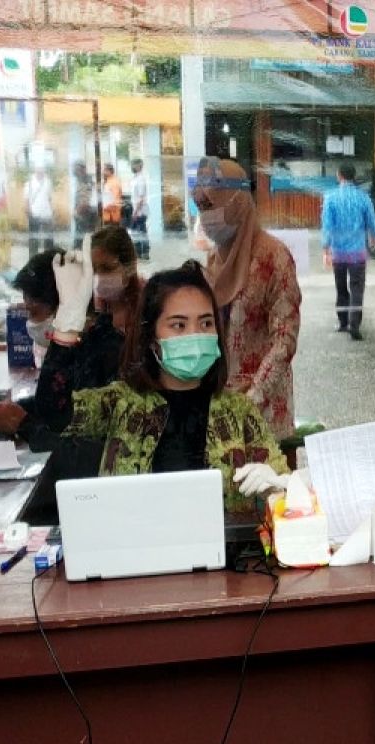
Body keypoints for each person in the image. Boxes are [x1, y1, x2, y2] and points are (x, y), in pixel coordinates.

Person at [61, 261, 289, 513]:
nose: (195, 335)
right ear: (151, 339)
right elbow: (55, 415)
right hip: (133, 548)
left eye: (205, 324)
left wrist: (280, 487)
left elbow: (289, 494)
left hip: (222, 552)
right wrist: (65, 330)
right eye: (179, 325)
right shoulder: (120, 404)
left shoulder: (239, 410)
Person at [0, 243, 125, 451]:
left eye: (34, 312)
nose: (31, 322)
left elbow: (80, 445)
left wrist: (23, 423)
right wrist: (5, 412)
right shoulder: (70, 348)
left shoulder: (103, 353)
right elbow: (54, 404)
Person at [195, 157, 301, 442]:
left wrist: (253, 395)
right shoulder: (215, 259)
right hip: (218, 410)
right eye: (202, 208)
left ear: (236, 201)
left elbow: (285, 340)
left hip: (264, 413)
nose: (206, 217)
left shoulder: (274, 257)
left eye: (211, 205)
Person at [321, 163, 375, 341]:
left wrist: (326, 248)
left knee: (341, 289)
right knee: (357, 289)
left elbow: (327, 226)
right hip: (357, 253)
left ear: (339, 176)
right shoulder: (363, 197)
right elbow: (372, 220)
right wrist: (374, 236)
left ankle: (343, 322)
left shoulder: (330, 198)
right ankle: (355, 325)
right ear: (353, 177)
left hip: (338, 252)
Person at [88, 224, 143, 335]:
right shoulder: (89, 309)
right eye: (92, 269)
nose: (98, 276)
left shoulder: (149, 305)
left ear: (129, 267)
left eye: (107, 269)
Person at [24, 166, 54, 256]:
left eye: (42, 169)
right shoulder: (29, 183)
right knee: (34, 238)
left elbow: (50, 198)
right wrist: (28, 211)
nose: (40, 171)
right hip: (34, 213)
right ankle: (33, 257)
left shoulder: (48, 182)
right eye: (38, 169)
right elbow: (26, 199)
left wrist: (52, 211)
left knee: (49, 238)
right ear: (35, 170)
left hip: (47, 214)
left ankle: (48, 257)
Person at [72, 161, 97, 250]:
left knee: (82, 238)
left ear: (82, 169)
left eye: (76, 168)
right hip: (85, 212)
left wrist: (77, 211)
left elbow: (85, 199)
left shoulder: (86, 180)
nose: (74, 171)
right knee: (84, 237)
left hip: (85, 213)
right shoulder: (81, 179)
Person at [129, 158, 149, 260]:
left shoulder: (141, 179)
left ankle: (144, 253)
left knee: (141, 232)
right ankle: (138, 253)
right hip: (136, 210)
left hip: (140, 211)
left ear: (139, 166)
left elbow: (141, 198)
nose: (131, 167)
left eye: (133, 165)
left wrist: (135, 212)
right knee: (137, 232)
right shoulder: (135, 178)